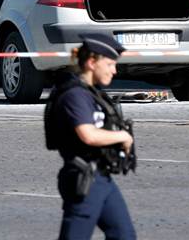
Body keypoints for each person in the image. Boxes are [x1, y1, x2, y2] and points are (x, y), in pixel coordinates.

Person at [44, 34, 137, 240]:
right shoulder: (74, 96)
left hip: (102, 177)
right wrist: (121, 136)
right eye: (110, 64)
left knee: (124, 235)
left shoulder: (92, 93)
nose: (115, 70)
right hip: (84, 178)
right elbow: (88, 135)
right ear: (92, 62)